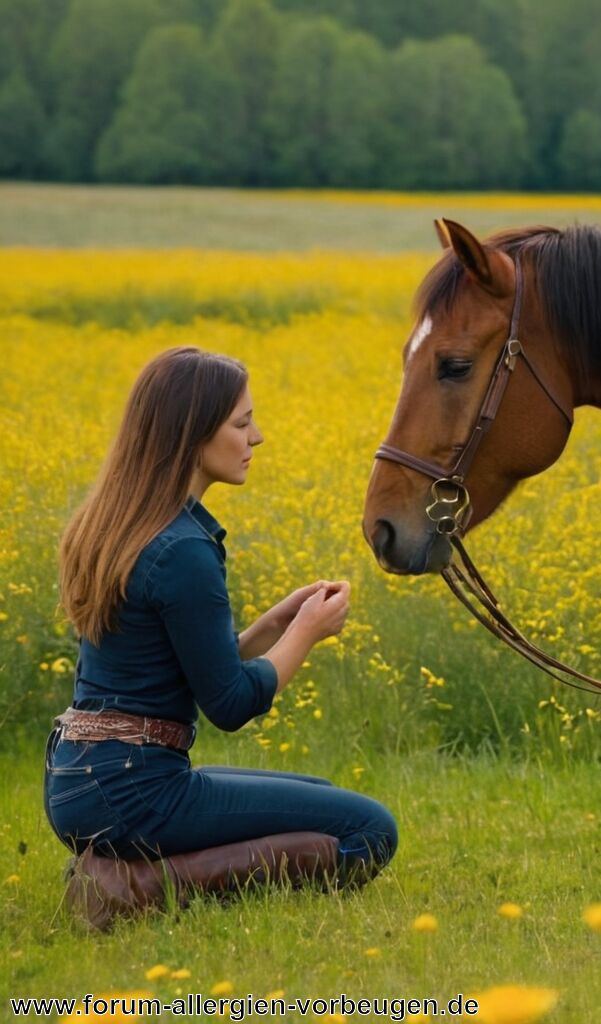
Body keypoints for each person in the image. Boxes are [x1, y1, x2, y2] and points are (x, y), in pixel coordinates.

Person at [46, 346, 398, 930]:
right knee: (368, 829)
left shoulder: (119, 521)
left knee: (315, 796)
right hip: (131, 790)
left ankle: (113, 866)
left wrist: (269, 630)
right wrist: (307, 636)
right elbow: (231, 705)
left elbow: (176, 663)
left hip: (84, 780)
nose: (256, 437)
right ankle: (133, 885)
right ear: (192, 434)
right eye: (241, 423)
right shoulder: (182, 549)